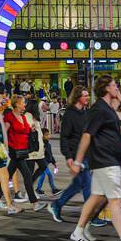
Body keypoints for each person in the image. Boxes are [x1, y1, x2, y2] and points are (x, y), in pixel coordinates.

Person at [67, 75, 121, 241]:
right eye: (113, 85)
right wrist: (78, 161)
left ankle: (78, 231)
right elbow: (87, 135)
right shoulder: (99, 110)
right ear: (106, 89)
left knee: (95, 196)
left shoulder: (108, 109)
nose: (116, 87)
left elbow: (115, 130)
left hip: (109, 159)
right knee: (116, 201)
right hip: (105, 160)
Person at [48, 86, 92, 224]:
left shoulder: (85, 113)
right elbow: (64, 137)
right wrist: (68, 157)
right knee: (87, 185)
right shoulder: (70, 114)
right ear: (78, 97)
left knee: (79, 184)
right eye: (85, 95)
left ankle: (57, 205)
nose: (87, 97)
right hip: (76, 154)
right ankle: (91, 217)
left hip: (87, 154)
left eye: (88, 95)